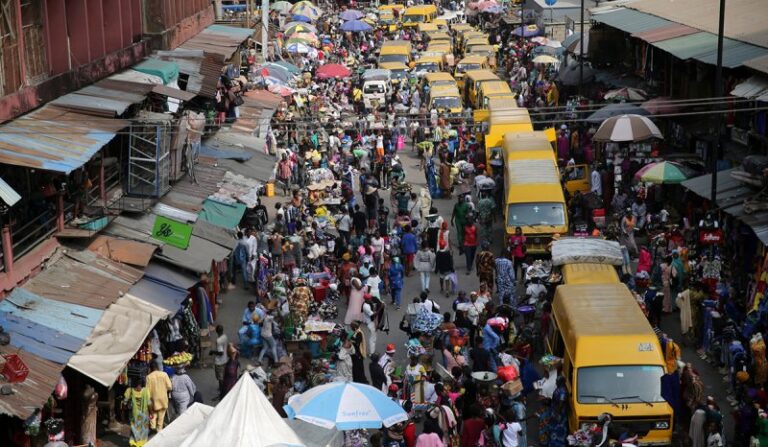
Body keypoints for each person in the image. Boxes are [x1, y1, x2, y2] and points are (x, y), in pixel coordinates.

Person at [145, 362, 172, 433]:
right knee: (161, 416)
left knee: (153, 414)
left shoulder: (148, 377)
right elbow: (169, 387)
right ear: (158, 367)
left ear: (150, 369)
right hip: (163, 399)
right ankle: (159, 429)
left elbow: (147, 392)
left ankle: (153, 427)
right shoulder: (164, 374)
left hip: (153, 400)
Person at [124, 379, 151, 447]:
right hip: (144, 415)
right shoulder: (146, 390)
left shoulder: (129, 390)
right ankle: (141, 444)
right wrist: (151, 412)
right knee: (143, 431)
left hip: (134, 415)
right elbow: (149, 403)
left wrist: (126, 407)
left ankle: (134, 443)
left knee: (134, 430)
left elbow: (125, 402)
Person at [212, 324, 228, 399]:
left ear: (216, 331)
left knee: (220, 377)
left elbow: (220, 352)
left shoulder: (218, 341)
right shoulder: (225, 336)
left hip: (219, 362)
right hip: (225, 360)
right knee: (223, 376)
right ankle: (222, 388)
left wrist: (213, 352)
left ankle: (222, 392)